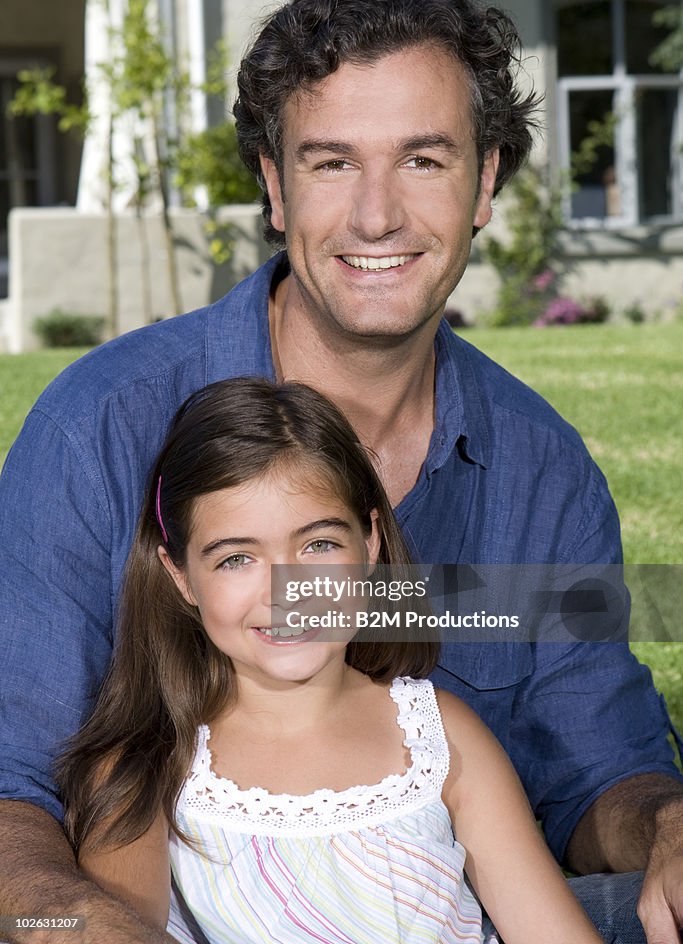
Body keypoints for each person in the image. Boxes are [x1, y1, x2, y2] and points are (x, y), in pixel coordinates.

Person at [0, 0, 681, 944]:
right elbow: (8, 779)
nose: (375, 216)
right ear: (274, 186)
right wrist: (93, 926)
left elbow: (598, 768)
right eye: (329, 163)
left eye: (422, 160)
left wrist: (663, 824)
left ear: (484, 179)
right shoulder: (100, 426)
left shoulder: (541, 468)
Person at [57, 376, 603, 944]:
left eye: (318, 545)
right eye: (237, 558)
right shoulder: (146, 767)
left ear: (369, 544)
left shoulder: (439, 736)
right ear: (181, 577)